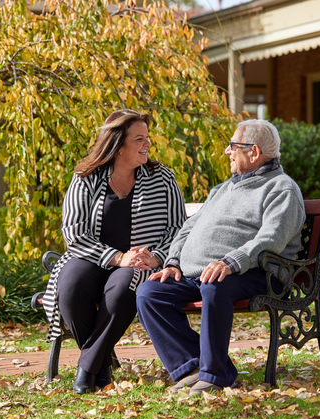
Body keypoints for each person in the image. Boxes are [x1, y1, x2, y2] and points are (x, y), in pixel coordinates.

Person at [136, 119, 305, 396]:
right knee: (150, 292)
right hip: (202, 272)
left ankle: (214, 376)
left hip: (259, 273)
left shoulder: (281, 188)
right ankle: (192, 367)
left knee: (214, 285)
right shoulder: (224, 188)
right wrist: (173, 262)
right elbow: (188, 228)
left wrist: (230, 262)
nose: (227, 151)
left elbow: (271, 239)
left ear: (253, 152)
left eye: (233, 146)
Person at [42, 109, 187, 394]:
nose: (147, 144)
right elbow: (74, 231)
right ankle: (102, 366)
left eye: (147, 138)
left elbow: (178, 230)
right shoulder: (86, 177)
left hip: (142, 263)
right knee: (70, 288)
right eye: (139, 139)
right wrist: (118, 257)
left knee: (121, 291)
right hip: (90, 256)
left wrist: (156, 256)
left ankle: (87, 369)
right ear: (118, 145)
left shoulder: (163, 178)